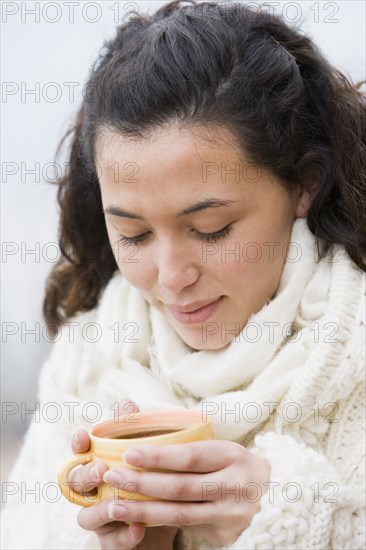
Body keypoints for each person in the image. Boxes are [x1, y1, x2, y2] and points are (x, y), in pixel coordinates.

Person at [2, 0, 365, 548]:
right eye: (134, 234)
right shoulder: (87, 362)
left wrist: (302, 523)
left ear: (304, 183)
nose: (170, 278)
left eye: (212, 228)